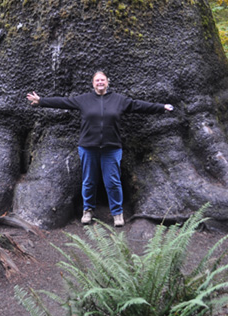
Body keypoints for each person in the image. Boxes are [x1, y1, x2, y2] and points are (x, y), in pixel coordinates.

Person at [27, 70, 173, 226]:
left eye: (102, 80)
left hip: (111, 148)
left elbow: (139, 105)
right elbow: (63, 102)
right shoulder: (84, 100)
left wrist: (161, 107)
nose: (100, 82)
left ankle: (117, 213)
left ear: (107, 82)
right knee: (89, 181)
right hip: (88, 148)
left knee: (113, 182)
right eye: (97, 80)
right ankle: (88, 210)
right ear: (93, 83)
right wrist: (41, 101)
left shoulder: (118, 100)